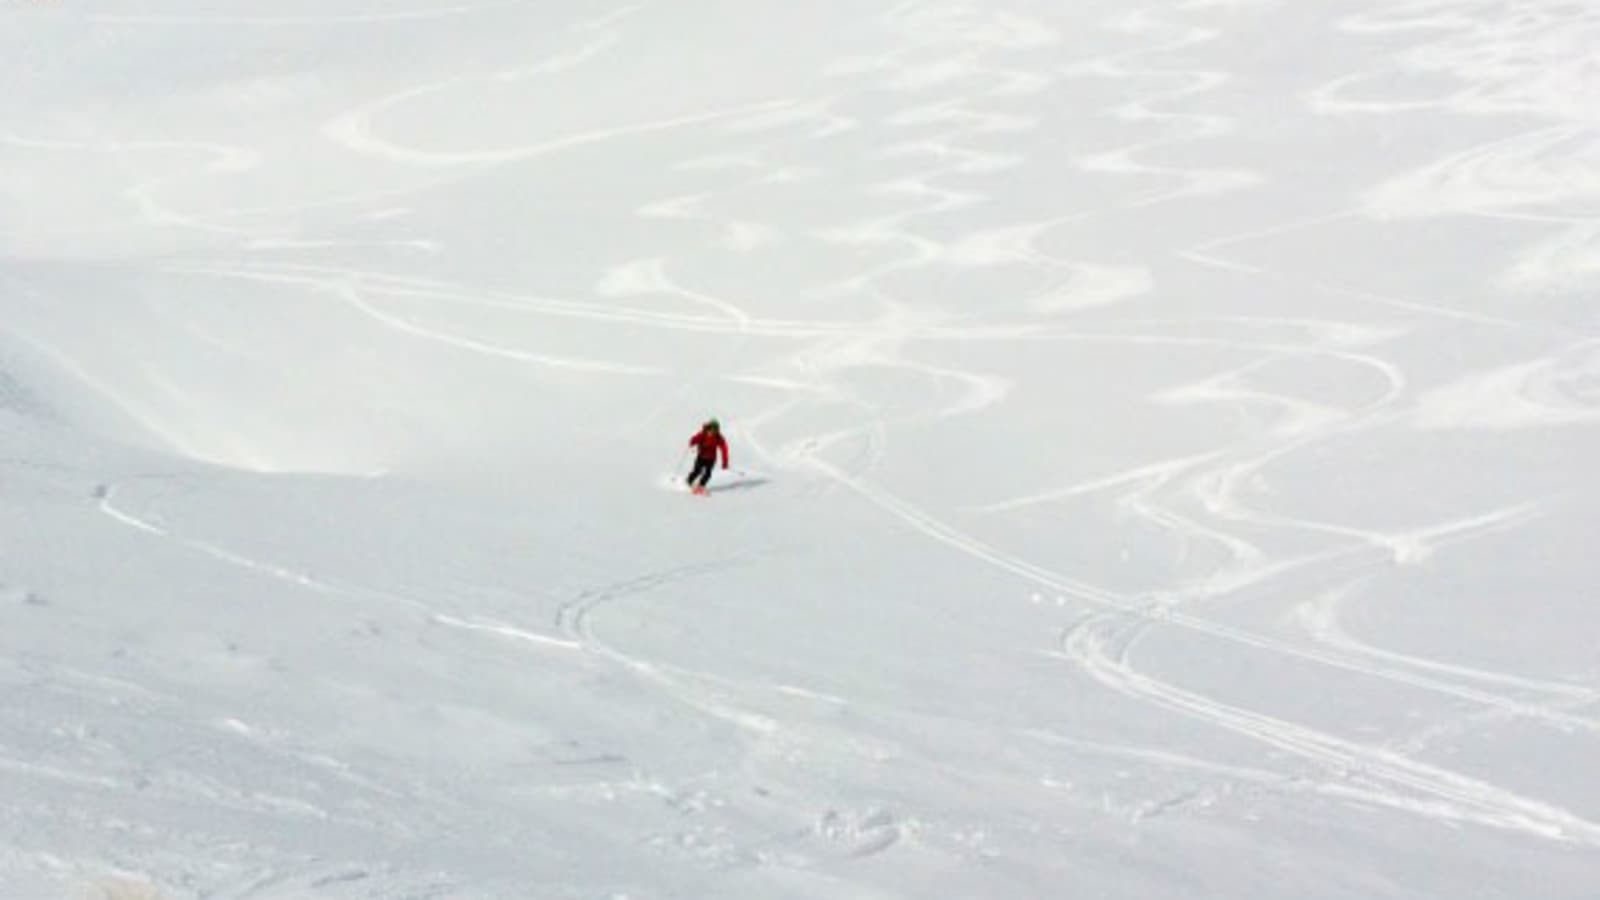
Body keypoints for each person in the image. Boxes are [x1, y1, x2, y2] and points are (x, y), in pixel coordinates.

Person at [686, 418, 728, 493]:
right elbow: (695, 439)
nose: (713, 432)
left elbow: (724, 449)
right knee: (697, 471)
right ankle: (689, 481)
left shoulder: (718, 437)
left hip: (711, 459)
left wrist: (725, 462)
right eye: (712, 429)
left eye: (716, 430)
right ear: (709, 427)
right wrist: (692, 442)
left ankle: (701, 486)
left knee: (708, 474)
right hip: (701, 456)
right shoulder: (703, 434)